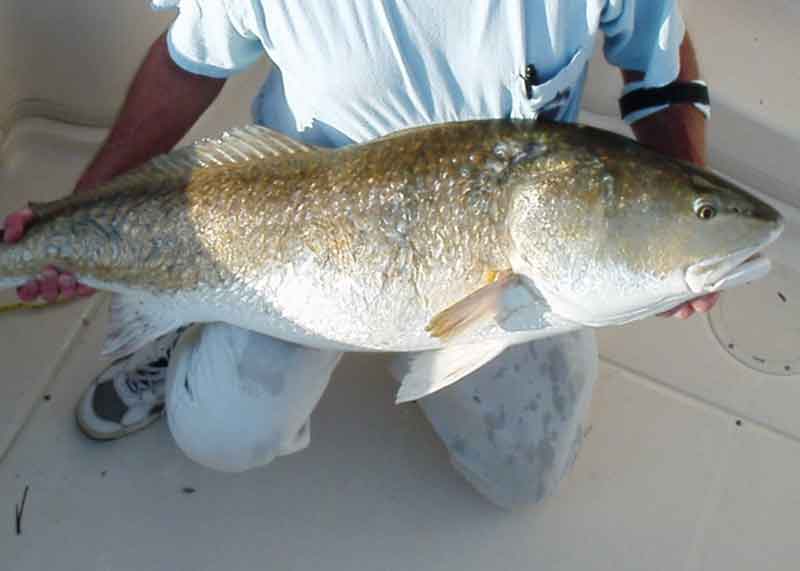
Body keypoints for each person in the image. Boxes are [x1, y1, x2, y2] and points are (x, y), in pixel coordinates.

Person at [2, 0, 716, 508]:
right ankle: (184, 308)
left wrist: (691, 212)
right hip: (293, 223)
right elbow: (189, 62)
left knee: (526, 472)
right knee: (222, 432)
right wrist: (78, 209)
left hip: (513, 244)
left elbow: (658, 69)